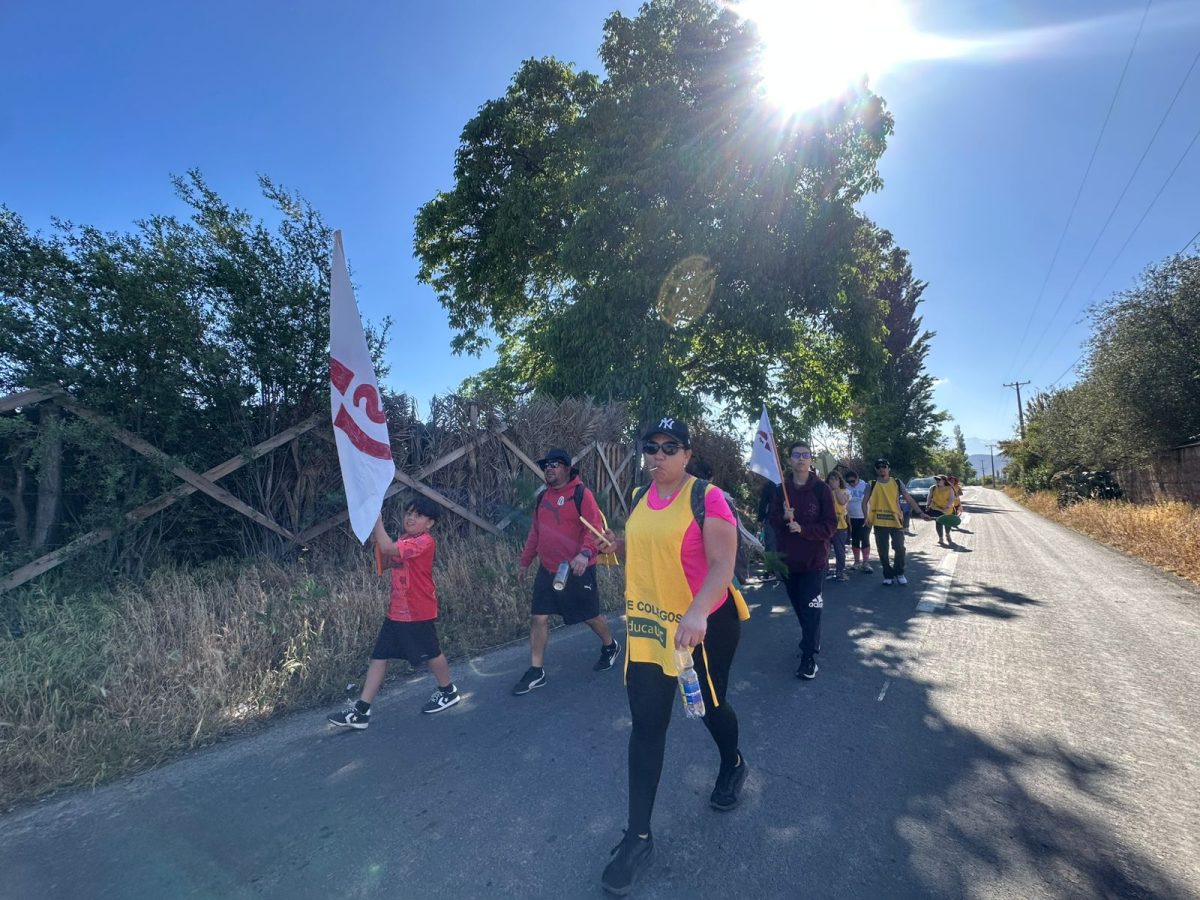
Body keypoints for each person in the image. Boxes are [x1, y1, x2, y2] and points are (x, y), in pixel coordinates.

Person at [597, 416, 750, 896]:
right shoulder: (642, 498)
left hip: (701, 627)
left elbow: (722, 565)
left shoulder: (707, 498)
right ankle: (637, 838)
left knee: (708, 708)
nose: (658, 455)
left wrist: (698, 612)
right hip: (648, 629)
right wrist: (616, 548)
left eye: (670, 447)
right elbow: (647, 552)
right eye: (651, 447)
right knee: (646, 727)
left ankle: (733, 763)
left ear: (687, 453)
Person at [328, 498, 460, 727]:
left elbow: (390, 548)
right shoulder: (405, 540)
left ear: (430, 523)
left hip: (417, 611)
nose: (410, 518)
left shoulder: (425, 542)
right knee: (379, 657)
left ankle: (448, 691)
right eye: (408, 512)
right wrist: (376, 540)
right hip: (396, 611)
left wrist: (377, 522)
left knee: (432, 653)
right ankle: (362, 711)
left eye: (418, 515)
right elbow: (388, 559)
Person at [513, 447, 620, 695]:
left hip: (576, 569)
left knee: (590, 615)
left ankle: (610, 645)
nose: (549, 468)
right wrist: (525, 561)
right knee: (538, 617)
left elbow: (593, 529)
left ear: (567, 468)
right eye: (545, 465)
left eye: (555, 464)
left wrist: (584, 554)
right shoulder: (543, 498)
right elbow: (535, 533)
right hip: (548, 568)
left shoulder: (582, 494)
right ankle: (536, 670)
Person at [768, 441, 837, 679]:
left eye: (805, 455)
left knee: (811, 610)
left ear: (811, 460)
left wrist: (804, 529)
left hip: (813, 563)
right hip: (789, 562)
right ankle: (809, 640)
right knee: (800, 609)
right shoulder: (781, 490)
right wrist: (783, 517)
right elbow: (772, 522)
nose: (800, 459)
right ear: (789, 460)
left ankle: (809, 657)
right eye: (796, 455)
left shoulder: (821, 490)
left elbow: (830, 526)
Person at [862, 459, 931, 586]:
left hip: (896, 522)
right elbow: (864, 501)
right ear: (876, 470)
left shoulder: (897, 482)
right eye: (878, 467)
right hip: (879, 522)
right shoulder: (871, 484)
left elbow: (908, 498)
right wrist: (866, 517)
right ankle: (888, 575)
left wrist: (920, 513)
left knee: (900, 549)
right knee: (883, 551)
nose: (881, 469)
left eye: (884, 466)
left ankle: (899, 573)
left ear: (889, 469)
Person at [825, 470, 850, 582]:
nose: (833, 481)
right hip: (826, 526)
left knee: (839, 551)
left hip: (840, 526)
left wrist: (836, 489)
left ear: (840, 481)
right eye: (831, 479)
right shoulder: (824, 491)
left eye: (836, 479)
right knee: (824, 550)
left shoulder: (844, 491)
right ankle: (825, 571)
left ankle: (840, 571)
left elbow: (842, 502)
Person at [844, 470, 872, 573]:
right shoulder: (846, 487)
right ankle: (857, 561)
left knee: (865, 538)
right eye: (849, 481)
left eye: (853, 481)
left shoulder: (865, 485)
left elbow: (872, 500)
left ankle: (866, 562)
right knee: (855, 539)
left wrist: (870, 516)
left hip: (865, 517)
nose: (851, 483)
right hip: (852, 517)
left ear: (858, 478)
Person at [927, 475, 958, 546]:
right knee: (938, 522)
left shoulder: (950, 488)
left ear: (944, 481)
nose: (937, 481)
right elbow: (929, 497)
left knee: (947, 523)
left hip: (947, 509)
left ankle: (947, 534)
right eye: (936, 480)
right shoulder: (933, 488)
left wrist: (947, 507)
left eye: (939, 479)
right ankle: (940, 538)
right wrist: (928, 505)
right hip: (936, 508)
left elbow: (951, 499)